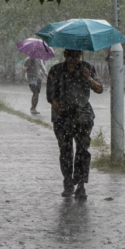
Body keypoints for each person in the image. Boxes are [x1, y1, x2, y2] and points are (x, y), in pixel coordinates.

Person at [46, 49, 103, 199]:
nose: (75, 59)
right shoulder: (56, 70)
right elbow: (50, 95)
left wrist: (88, 79)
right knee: (65, 150)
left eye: (78, 56)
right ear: (65, 54)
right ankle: (68, 182)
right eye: (71, 55)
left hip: (82, 117)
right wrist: (57, 106)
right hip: (62, 117)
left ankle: (81, 184)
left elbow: (99, 89)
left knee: (82, 150)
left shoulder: (87, 68)